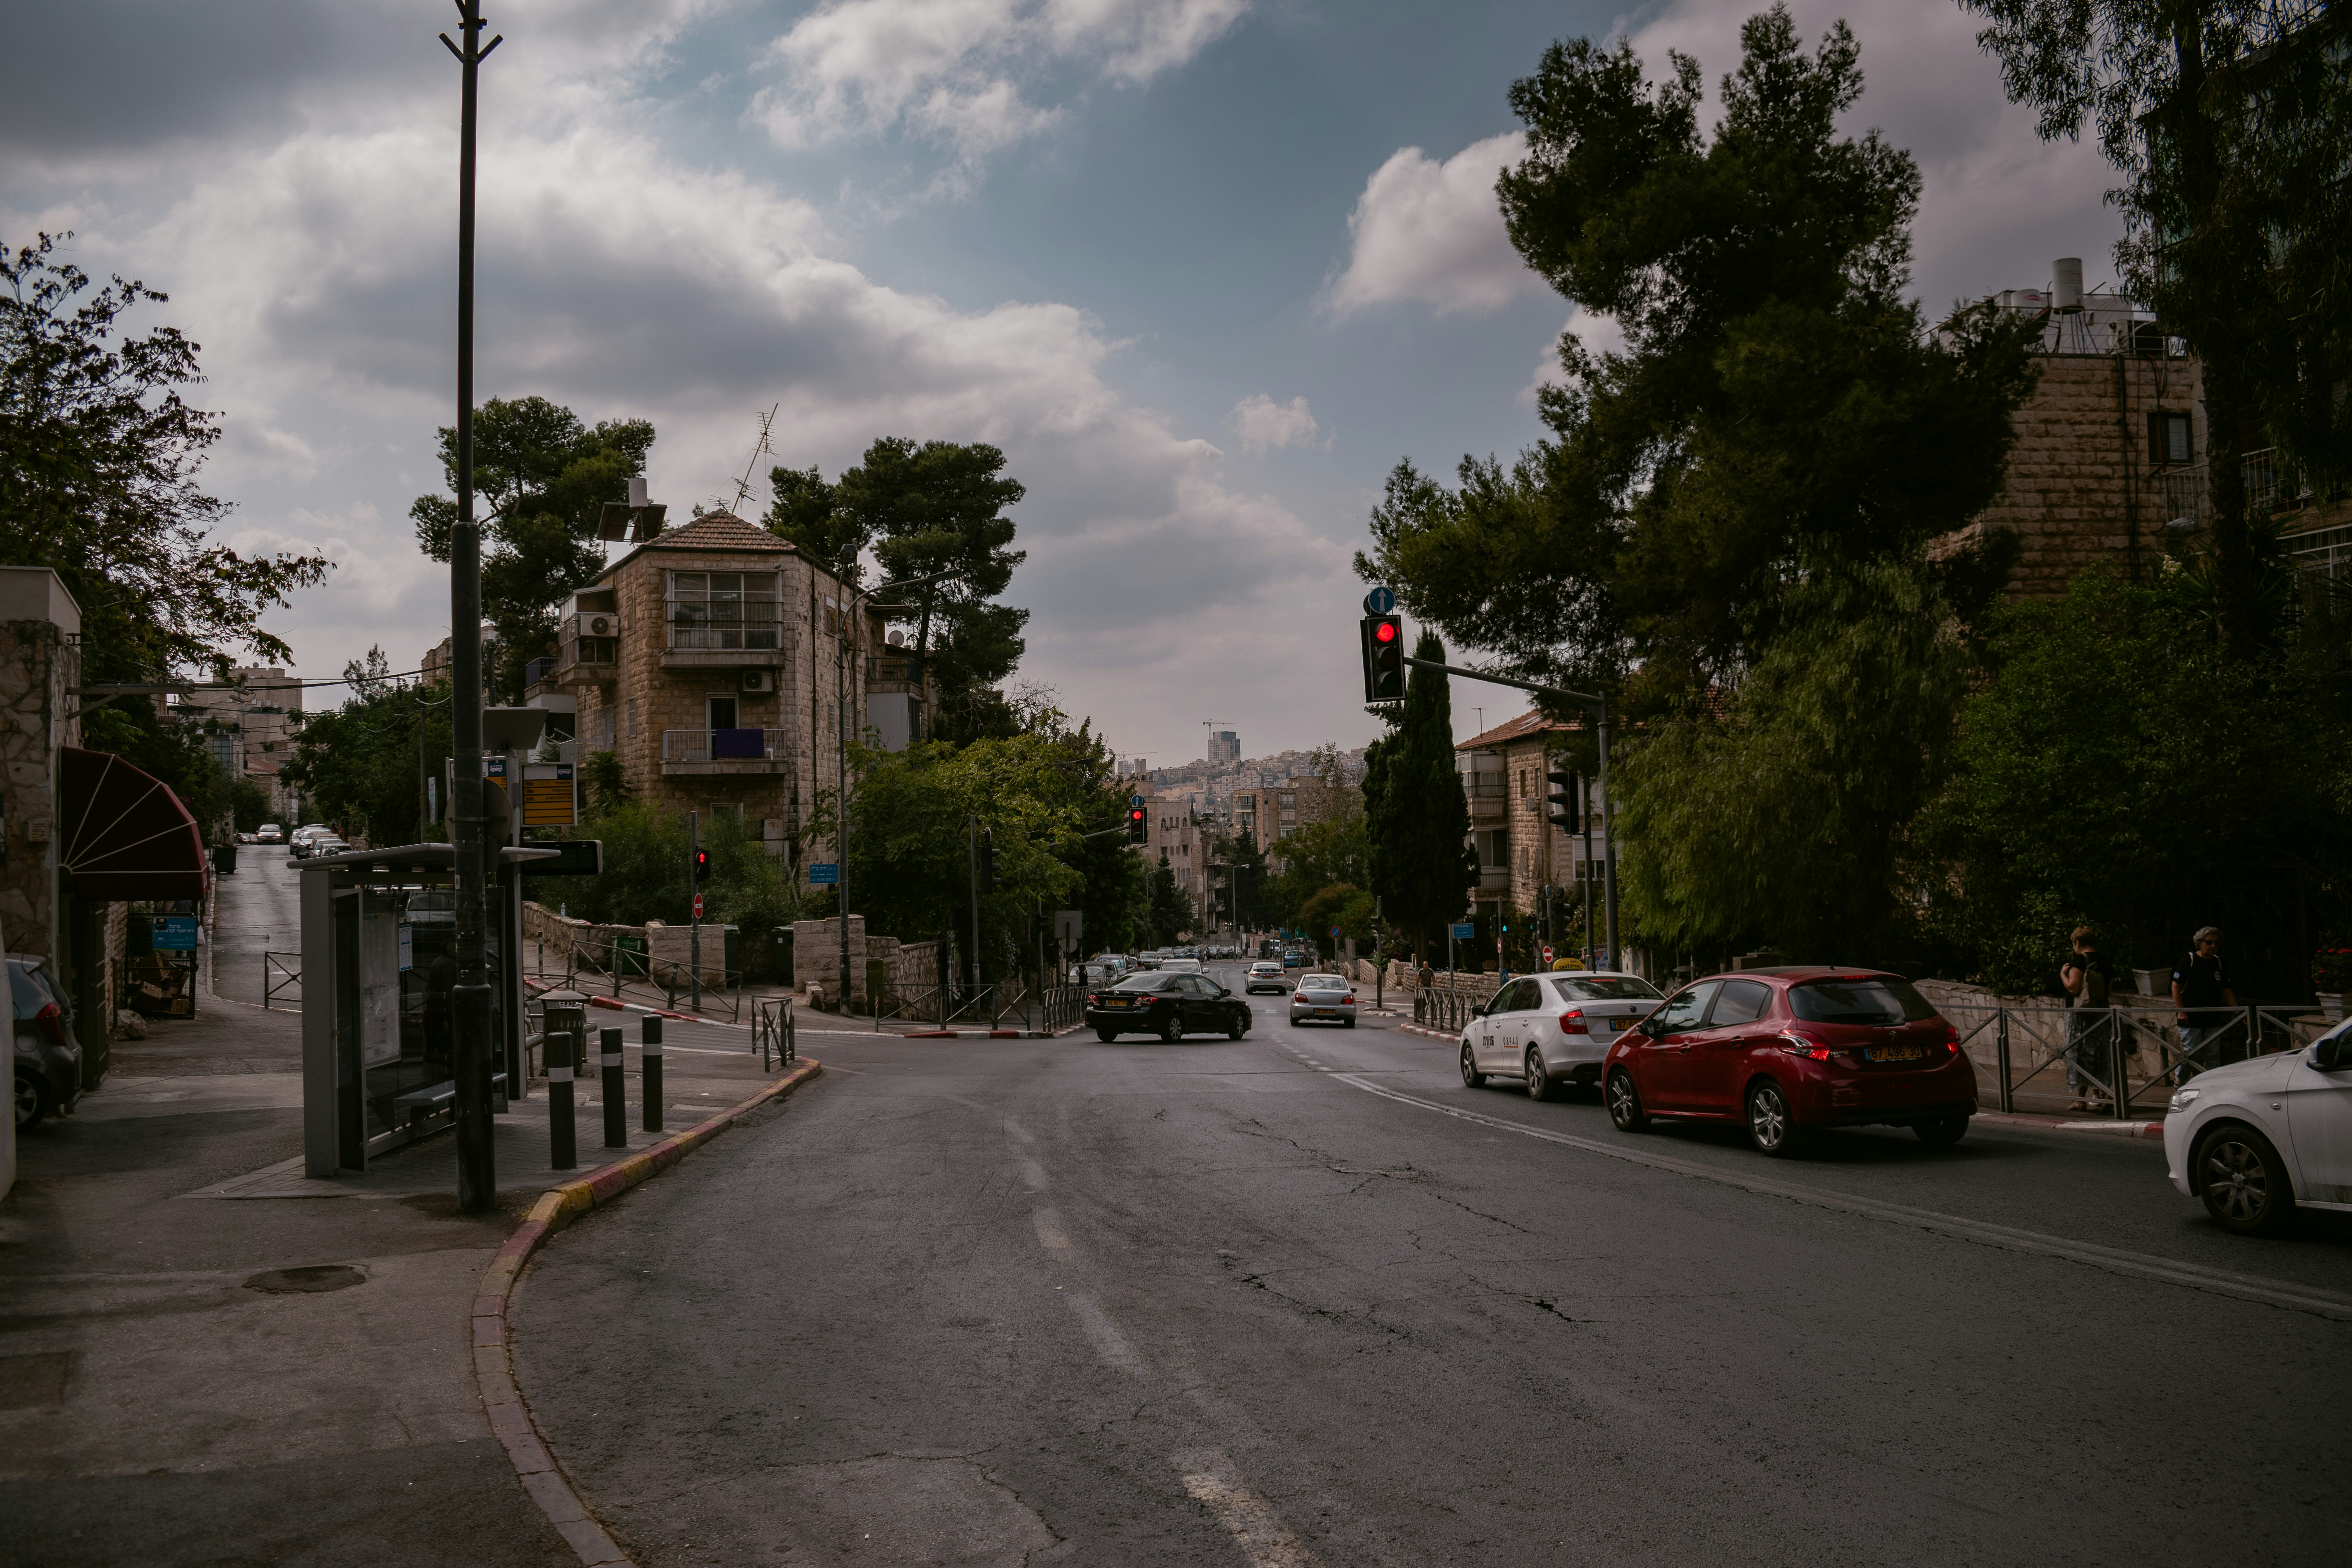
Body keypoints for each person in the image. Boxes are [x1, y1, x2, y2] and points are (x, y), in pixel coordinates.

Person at [2059, 925, 2116, 1112]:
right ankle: (2107, 1098)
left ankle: (2080, 1100)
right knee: (2101, 1055)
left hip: (2080, 1016)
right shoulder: (2106, 961)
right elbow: (2108, 991)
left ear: (2077, 943)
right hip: (2101, 1013)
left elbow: (2074, 988)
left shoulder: (2079, 960)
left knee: (2079, 1057)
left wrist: (2063, 974)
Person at [2171, 927, 2238, 1081]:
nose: (2213, 946)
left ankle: (2211, 1084)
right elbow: (2176, 986)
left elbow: (2226, 989)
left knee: (2213, 1054)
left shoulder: (2218, 962)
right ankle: (2181, 1079)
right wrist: (2181, 1011)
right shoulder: (2190, 960)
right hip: (2192, 1018)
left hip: (2213, 1017)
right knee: (2192, 1054)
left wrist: (2236, 1011)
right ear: (2200, 943)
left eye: (2216, 943)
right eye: (2209, 942)